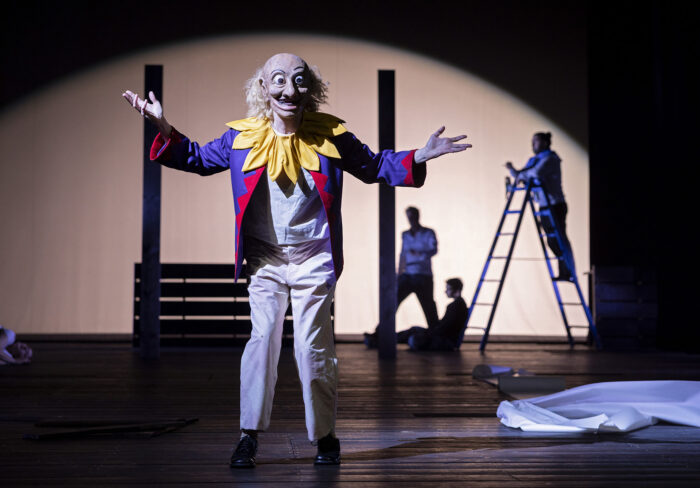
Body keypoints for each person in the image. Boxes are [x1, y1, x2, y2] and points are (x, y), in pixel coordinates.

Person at [122, 53, 471, 468]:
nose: (289, 90)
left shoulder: (331, 136)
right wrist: (162, 125)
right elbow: (195, 157)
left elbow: (374, 165)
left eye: (299, 81)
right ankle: (248, 435)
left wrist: (418, 156)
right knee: (262, 340)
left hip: (314, 258)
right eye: (279, 80)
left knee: (312, 346)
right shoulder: (241, 139)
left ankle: (325, 436)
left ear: (311, 89)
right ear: (263, 88)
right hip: (265, 259)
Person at [506, 132, 575, 281]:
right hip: (544, 205)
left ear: (545, 142)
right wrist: (513, 171)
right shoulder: (534, 160)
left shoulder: (550, 159)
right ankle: (564, 271)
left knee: (559, 239)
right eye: (532, 141)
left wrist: (520, 174)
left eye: (536, 141)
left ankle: (568, 271)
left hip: (555, 205)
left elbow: (535, 173)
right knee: (551, 241)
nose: (533, 144)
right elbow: (523, 174)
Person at [397, 278, 468, 351]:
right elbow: (444, 325)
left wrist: (429, 333)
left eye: (448, 289)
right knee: (414, 330)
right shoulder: (459, 305)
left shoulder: (455, 306)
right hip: (444, 337)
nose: (445, 291)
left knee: (414, 339)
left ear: (457, 290)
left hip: (446, 341)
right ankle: (394, 338)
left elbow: (444, 327)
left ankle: (393, 339)